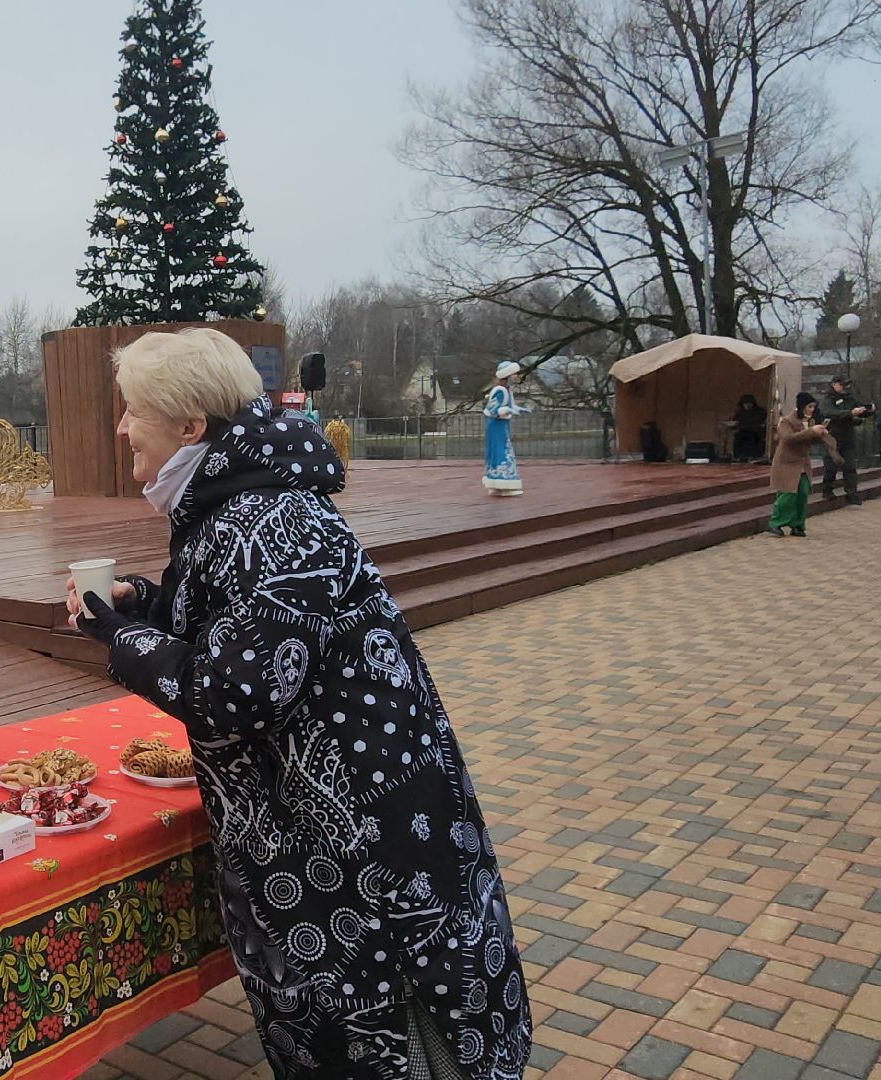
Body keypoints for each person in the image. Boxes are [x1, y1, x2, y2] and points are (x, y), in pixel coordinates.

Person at [64, 328, 531, 1079]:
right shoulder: (241, 504)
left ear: (190, 425)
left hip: (360, 864)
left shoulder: (272, 520)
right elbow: (242, 635)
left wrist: (121, 638)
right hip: (327, 850)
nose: (121, 429)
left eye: (132, 411)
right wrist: (144, 607)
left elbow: (232, 693)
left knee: (398, 1043)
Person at [767, 392, 838, 538]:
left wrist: (820, 435)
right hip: (786, 463)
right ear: (802, 406)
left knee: (802, 494)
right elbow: (787, 438)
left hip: (803, 464)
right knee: (787, 495)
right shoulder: (786, 421)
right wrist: (810, 432)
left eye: (813, 406)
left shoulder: (810, 421)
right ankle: (776, 523)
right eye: (809, 406)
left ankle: (798, 526)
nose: (811, 409)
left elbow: (809, 441)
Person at [819, 375, 869, 504]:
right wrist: (850, 414)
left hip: (848, 437)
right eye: (842, 385)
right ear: (834, 384)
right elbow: (830, 413)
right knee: (831, 466)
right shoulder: (827, 399)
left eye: (846, 385)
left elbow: (857, 410)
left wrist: (868, 410)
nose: (845, 387)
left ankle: (852, 493)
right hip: (832, 437)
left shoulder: (849, 398)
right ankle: (827, 491)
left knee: (850, 467)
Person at [483, 361, 528, 495]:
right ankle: (505, 485)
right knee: (502, 451)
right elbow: (493, 409)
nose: (516, 376)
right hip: (497, 424)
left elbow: (509, 405)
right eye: (514, 373)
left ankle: (495, 484)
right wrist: (508, 410)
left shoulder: (507, 390)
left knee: (498, 451)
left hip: (500, 424)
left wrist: (518, 409)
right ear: (507, 375)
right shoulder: (500, 390)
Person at [731, 393, 768, 461]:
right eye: (745, 404)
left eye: (749, 403)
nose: (747, 405)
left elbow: (762, 422)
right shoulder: (740, 412)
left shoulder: (760, 411)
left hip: (756, 433)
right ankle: (739, 457)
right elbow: (735, 421)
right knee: (738, 438)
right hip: (742, 433)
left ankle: (754, 456)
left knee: (753, 439)